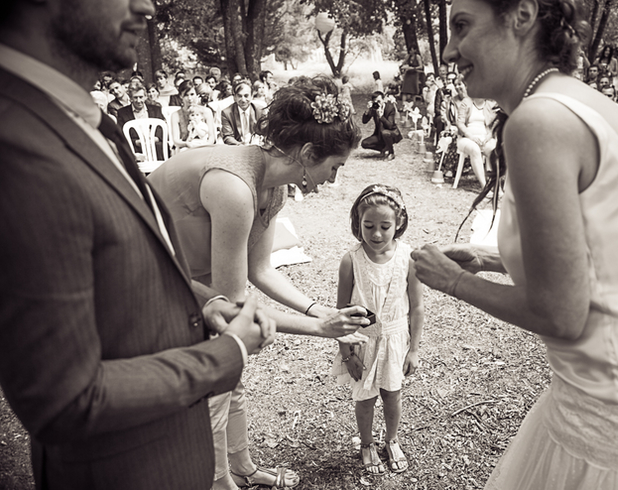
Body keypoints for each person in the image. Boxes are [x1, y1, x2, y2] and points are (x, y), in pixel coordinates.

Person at [411, 0, 618, 487]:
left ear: (522, 15)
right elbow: (613, 248)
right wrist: (489, 258)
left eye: (462, 27)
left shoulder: (539, 122)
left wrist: (452, 280)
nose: (449, 50)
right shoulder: (588, 101)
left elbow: (561, 314)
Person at [0, 0, 284, 488]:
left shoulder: (78, 116)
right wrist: (227, 355)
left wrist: (206, 301)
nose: (148, 5)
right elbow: (65, 400)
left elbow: (123, 265)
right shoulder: (19, 147)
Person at [147, 76, 365, 490]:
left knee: (233, 373)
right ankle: (217, 482)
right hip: (153, 284)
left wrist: (321, 310)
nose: (334, 180)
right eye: (335, 167)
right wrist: (320, 330)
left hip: (195, 278)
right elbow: (232, 310)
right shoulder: (234, 187)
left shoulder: (275, 186)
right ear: (306, 154)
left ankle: (242, 470)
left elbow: (260, 270)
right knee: (218, 375)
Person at [332, 184, 424, 476]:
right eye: (368, 225)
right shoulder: (351, 261)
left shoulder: (409, 258)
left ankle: (392, 439)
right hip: (363, 342)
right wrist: (347, 354)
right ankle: (367, 443)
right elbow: (341, 312)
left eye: (385, 226)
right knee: (365, 397)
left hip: (396, 340)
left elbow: (418, 307)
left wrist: (415, 350)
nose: (376, 234)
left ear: (399, 224)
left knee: (392, 394)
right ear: (357, 223)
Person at [456, 95, 497, 188]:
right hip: (466, 138)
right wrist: (470, 136)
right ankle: (484, 186)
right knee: (475, 149)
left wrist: (489, 135)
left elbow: (495, 123)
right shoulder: (466, 102)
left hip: (484, 138)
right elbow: (460, 123)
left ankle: (495, 184)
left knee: (494, 149)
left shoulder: (490, 104)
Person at [170, 80, 217, 150]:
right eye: (186, 95)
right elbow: (176, 141)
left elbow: (211, 138)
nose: (189, 98)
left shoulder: (206, 111)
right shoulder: (175, 115)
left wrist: (204, 145)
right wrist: (187, 144)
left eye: (192, 94)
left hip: (204, 147)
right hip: (185, 148)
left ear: (197, 95)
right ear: (180, 96)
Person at [361, 91, 401, 160]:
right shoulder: (374, 108)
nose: (377, 103)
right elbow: (364, 121)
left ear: (383, 100)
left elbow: (390, 126)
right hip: (379, 134)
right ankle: (384, 148)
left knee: (385, 133)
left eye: (379, 101)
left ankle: (391, 153)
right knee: (364, 143)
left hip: (391, 133)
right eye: (375, 101)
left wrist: (381, 117)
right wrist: (368, 110)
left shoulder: (390, 108)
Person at [221, 80, 263, 145]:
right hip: (237, 148)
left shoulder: (260, 111)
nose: (243, 100)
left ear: (252, 96)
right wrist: (240, 145)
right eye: (239, 96)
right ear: (234, 97)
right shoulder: (226, 113)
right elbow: (227, 136)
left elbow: (266, 133)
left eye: (246, 96)